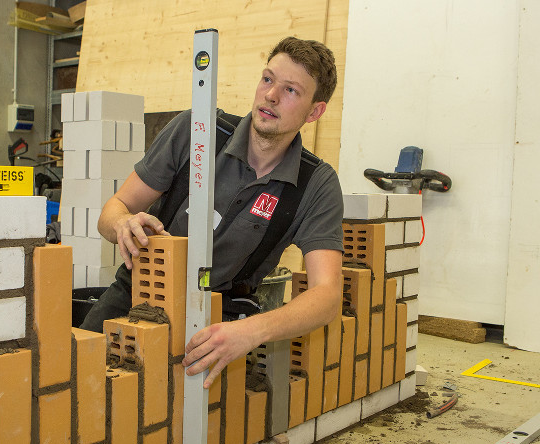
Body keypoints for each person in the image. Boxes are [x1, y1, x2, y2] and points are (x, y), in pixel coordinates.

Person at [80, 37, 344, 389]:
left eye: (291, 90)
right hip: (140, 295)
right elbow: (113, 212)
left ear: (315, 112)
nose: (271, 96)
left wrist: (250, 332)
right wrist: (121, 223)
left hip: (224, 318)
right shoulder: (198, 131)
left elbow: (327, 296)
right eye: (267, 79)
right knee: (73, 381)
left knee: (184, 424)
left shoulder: (316, 183)